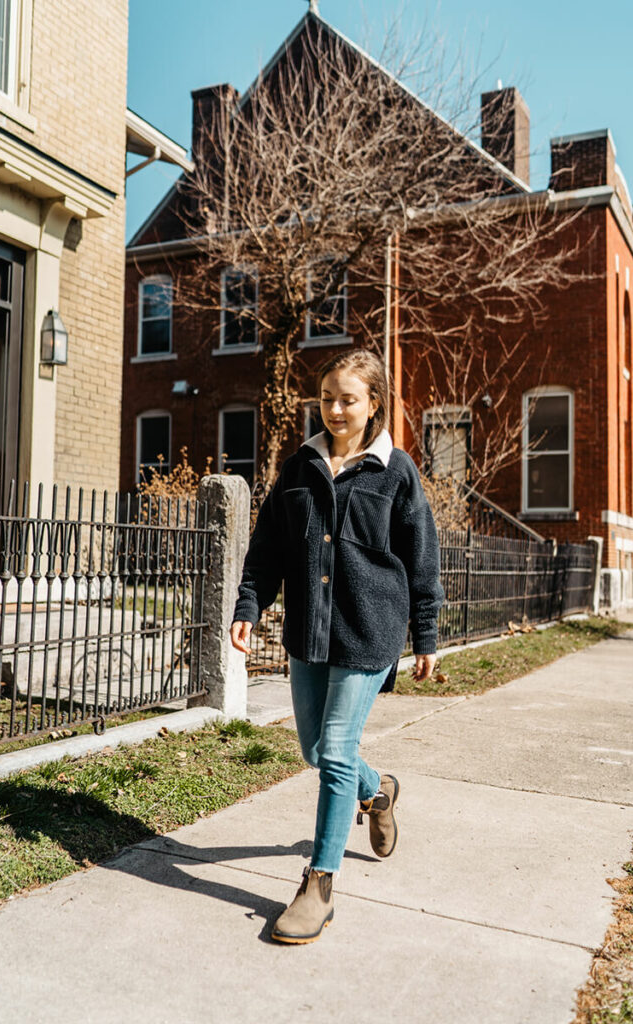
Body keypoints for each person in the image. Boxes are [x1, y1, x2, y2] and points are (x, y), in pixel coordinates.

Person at [230, 348, 444, 944]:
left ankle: (319, 884)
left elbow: (421, 558)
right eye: (327, 397)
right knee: (316, 750)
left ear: (373, 403)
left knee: (337, 748)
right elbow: (267, 546)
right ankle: (377, 791)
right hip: (310, 632)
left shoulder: (396, 471)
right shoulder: (299, 466)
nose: (335, 408)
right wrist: (250, 604)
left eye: (348, 398)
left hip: (369, 631)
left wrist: (425, 634)